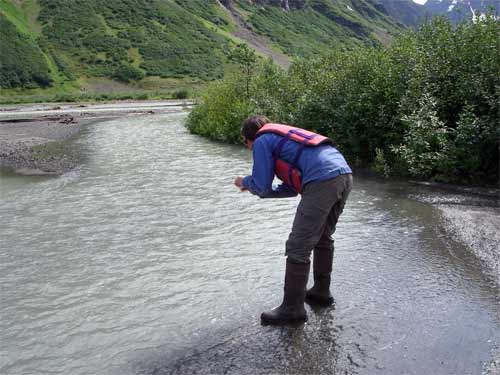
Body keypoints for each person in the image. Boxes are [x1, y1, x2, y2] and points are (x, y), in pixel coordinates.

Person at [234, 115, 353, 326]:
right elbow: (288, 189)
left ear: (249, 137)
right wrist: (257, 188)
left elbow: (261, 185)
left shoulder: (262, 141)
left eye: (245, 143)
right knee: (323, 237)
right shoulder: (282, 141)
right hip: (343, 174)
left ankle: (292, 309)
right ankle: (320, 292)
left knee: (298, 246)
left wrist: (245, 182)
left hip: (321, 180)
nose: (248, 147)